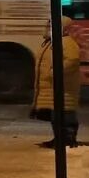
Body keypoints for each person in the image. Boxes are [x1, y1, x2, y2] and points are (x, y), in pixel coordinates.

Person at [33, 17, 83, 149]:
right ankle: (59, 139)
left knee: (65, 115)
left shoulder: (66, 42)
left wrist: (54, 71)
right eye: (48, 26)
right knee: (56, 116)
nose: (48, 29)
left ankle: (67, 141)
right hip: (53, 87)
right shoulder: (51, 42)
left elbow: (72, 60)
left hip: (63, 87)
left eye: (51, 26)